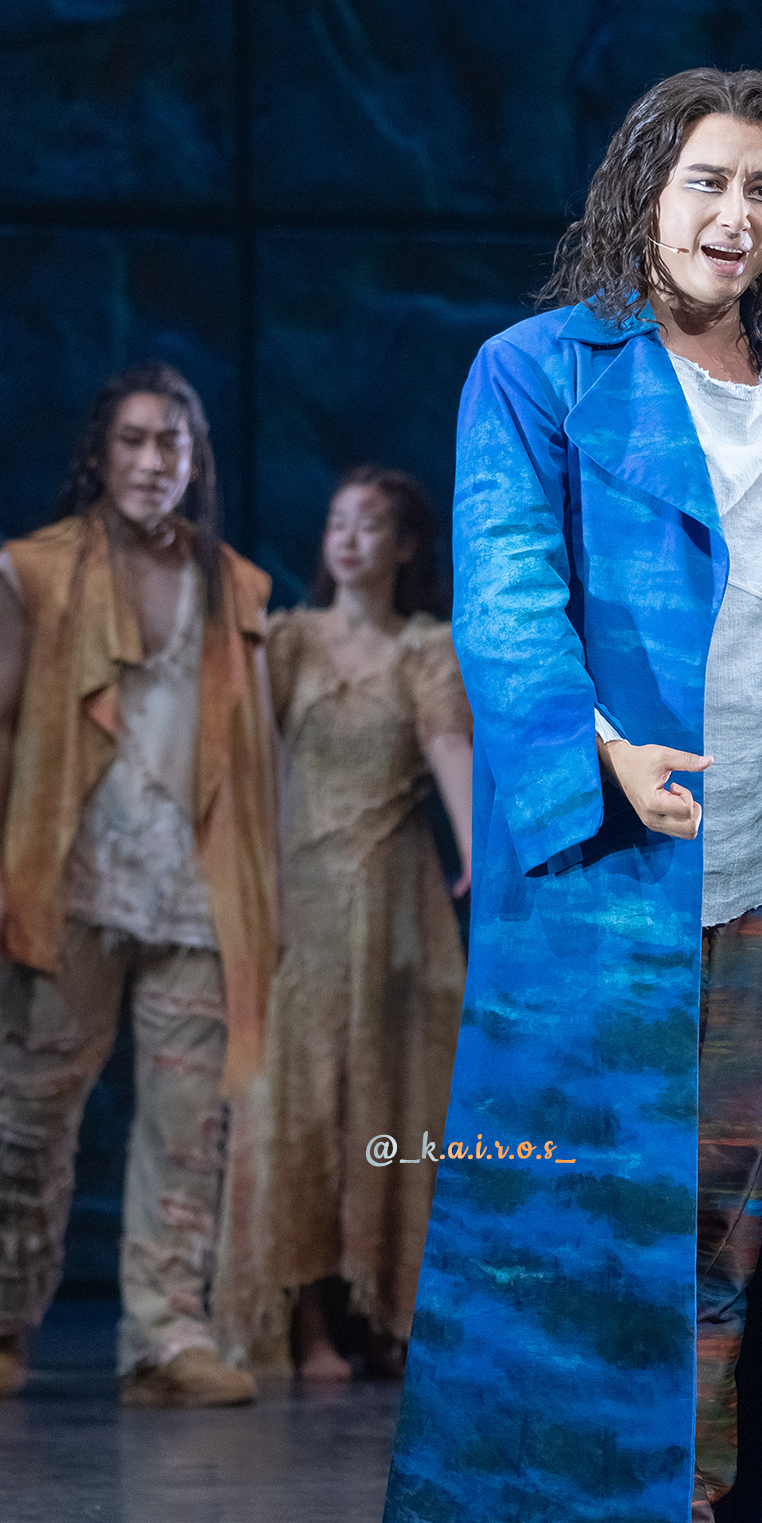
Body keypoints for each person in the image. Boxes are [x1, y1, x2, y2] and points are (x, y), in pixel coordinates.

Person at [379, 67, 762, 1523]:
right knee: (602, 1225)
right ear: (644, 191)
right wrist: (594, 756)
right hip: (610, 884)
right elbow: (504, 591)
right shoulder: (537, 373)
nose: (734, 216)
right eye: (706, 180)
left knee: (730, 1224)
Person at [0, 365, 278, 1406]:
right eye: (133, 441)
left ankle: (165, 1338)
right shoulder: (32, 573)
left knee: (188, 1124)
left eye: (170, 443)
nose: (151, 461)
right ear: (100, 452)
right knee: (28, 1110)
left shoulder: (233, 585)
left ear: (194, 459)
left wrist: (264, 899)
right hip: (68, 877)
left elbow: (255, 757)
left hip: (192, 890)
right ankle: (0, 1313)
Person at [213, 467, 472, 1382]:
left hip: (396, 907)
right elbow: (260, 764)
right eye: (337, 522)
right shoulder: (287, 641)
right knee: (297, 1103)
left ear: (405, 545)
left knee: (396, 1103)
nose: (349, 538)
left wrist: (478, 855)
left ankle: (394, 1310)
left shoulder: (426, 649)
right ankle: (310, 1321)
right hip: (303, 898)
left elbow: (448, 746)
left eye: (370, 524)